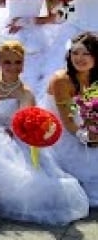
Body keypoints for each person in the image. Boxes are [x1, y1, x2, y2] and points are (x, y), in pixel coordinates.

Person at [0, 40, 88, 224]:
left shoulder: (25, 94)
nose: (13, 67)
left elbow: (18, 130)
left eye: (18, 62)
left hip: (7, 139)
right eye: (7, 62)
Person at [44, 32, 98, 204]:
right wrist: (88, 137)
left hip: (88, 126)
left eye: (85, 54)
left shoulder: (94, 78)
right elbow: (68, 122)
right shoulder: (61, 80)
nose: (79, 58)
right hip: (63, 132)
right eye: (75, 53)